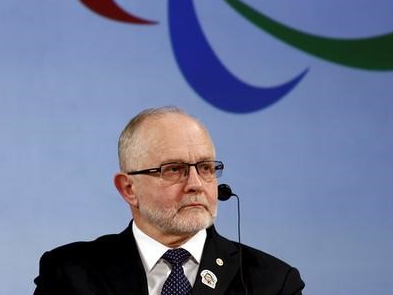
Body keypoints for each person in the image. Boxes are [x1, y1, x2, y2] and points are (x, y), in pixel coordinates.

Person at [33, 106, 304, 294]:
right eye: (174, 169)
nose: (196, 185)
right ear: (128, 189)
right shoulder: (69, 275)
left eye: (206, 168)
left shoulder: (272, 282)